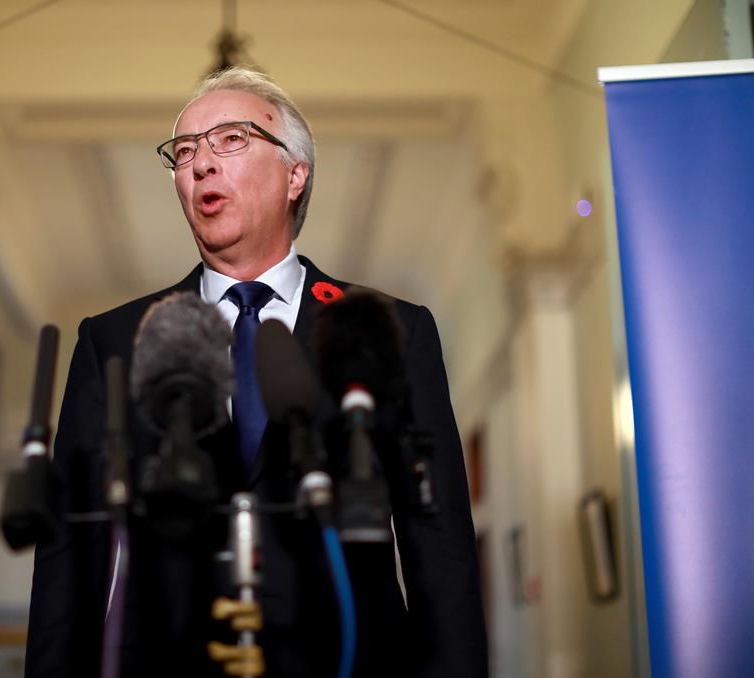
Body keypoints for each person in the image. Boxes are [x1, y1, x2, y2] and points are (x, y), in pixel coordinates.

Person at [26, 66, 487, 677]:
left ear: (296, 175)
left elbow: (441, 550)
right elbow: (69, 558)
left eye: (231, 139)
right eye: (184, 151)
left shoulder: (390, 332)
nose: (200, 164)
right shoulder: (114, 341)